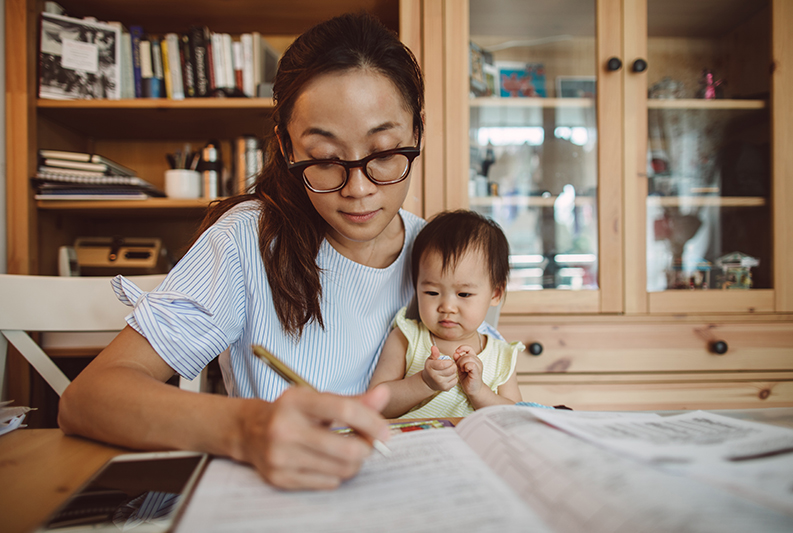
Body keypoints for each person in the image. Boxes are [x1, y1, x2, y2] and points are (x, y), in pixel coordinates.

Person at [59, 12, 426, 490]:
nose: (357, 189)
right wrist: (246, 429)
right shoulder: (248, 240)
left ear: (417, 133)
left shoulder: (438, 252)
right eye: (324, 159)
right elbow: (88, 399)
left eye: (382, 154)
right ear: (285, 145)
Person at [369, 210, 524, 418]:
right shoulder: (406, 337)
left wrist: (479, 392)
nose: (447, 307)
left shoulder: (502, 356)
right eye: (432, 292)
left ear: (495, 293)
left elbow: (515, 416)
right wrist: (424, 382)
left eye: (464, 294)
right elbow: (376, 404)